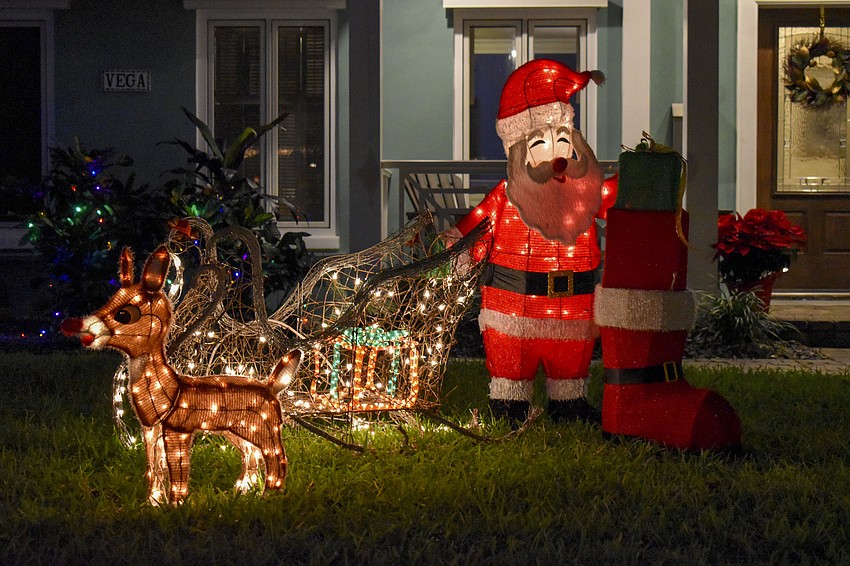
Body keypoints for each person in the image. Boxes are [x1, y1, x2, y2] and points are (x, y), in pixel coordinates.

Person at [443, 59, 616, 425]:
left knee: (570, 375)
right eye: (541, 143)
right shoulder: (506, 198)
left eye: (563, 140)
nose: (557, 155)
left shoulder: (587, 195)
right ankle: (509, 401)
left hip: (574, 310)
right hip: (513, 310)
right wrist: (459, 250)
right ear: (520, 149)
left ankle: (569, 401)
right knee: (511, 373)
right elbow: (476, 229)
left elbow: (618, 199)